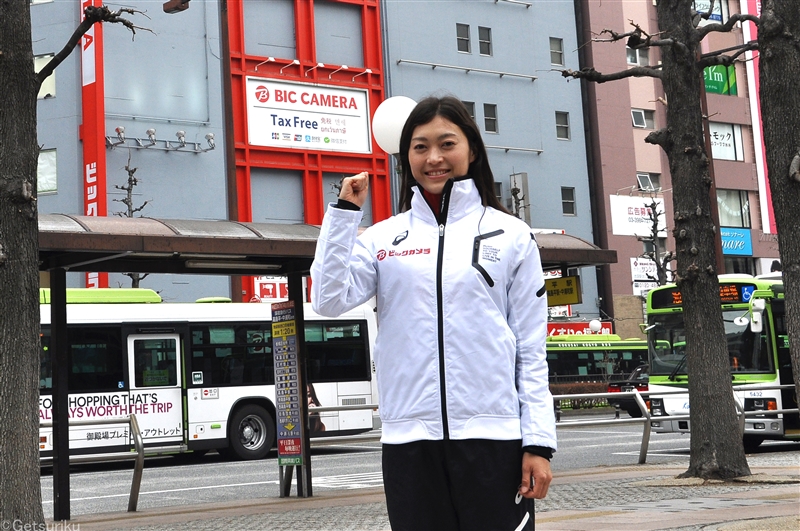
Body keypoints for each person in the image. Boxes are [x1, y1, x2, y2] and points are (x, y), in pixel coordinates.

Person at [311, 96, 555, 530]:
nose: (434, 158)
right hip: (409, 440)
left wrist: (538, 443)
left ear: (472, 150)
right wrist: (344, 215)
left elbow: (531, 350)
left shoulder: (513, 236)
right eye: (420, 147)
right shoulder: (384, 237)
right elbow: (328, 300)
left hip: (493, 439)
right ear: (407, 156)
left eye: (447, 143)